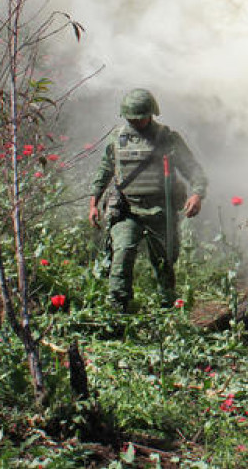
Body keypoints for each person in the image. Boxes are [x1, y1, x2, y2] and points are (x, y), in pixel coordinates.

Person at [89, 88, 207, 310]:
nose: (137, 121)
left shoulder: (167, 139)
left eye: (141, 117)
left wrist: (197, 193)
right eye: (132, 117)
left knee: (165, 263)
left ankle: (167, 308)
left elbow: (193, 169)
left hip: (160, 211)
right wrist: (93, 203)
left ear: (151, 114)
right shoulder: (117, 139)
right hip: (127, 211)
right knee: (121, 258)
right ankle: (118, 310)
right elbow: (104, 171)